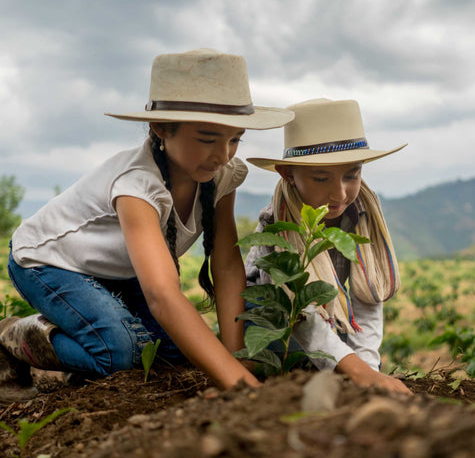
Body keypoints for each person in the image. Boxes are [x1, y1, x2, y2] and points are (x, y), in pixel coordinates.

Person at [0, 48, 295, 404]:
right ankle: (14, 335)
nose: (223, 154)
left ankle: (81, 339)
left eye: (235, 138)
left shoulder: (223, 175)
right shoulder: (137, 184)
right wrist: (240, 387)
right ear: (160, 128)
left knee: (176, 354)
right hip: (50, 262)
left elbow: (227, 262)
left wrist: (236, 356)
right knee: (121, 353)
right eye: (207, 138)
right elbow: (162, 294)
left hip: (120, 272)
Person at [245, 98, 412, 394]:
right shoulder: (277, 224)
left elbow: (367, 295)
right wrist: (356, 371)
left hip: (325, 319)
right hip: (276, 323)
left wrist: (368, 372)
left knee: (349, 349)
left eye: (352, 175)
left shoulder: (362, 213)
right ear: (288, 175)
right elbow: (301, 315)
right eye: (321, 178)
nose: (340, 193)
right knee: (294, 349)